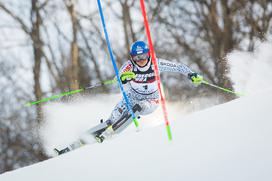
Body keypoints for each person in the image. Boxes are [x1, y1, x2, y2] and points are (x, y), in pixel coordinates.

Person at [54, 40, 203, 155]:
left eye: (143, 56)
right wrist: (123, 78)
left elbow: (177, 66)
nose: (141, 60)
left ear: (148, 54)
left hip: (151, 100)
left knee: (137, 108)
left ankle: (110, 133)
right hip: (131, 97)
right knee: (111, 120)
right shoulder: (128, 66)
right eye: (137, 57)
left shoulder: (156, 63)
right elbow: (116, 81)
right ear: (132, 57)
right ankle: (78, 142)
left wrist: (191, 74)